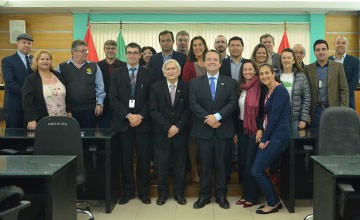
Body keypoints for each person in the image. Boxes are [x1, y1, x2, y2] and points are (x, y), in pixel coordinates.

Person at [189, 50, 237, 209]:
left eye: (215, 59)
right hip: (203, 130)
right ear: (204, 62)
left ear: (220, 63)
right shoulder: (195, 82)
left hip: (223, 130)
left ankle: (221, 195)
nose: (211, 62)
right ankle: (204, 196)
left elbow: (232, 103)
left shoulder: (230, 82)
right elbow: (193, 104)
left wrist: (217, 117)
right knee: (205, 164)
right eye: (208, 59)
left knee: (222, 164)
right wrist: (208, 119)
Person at [109, 42, 154, 205]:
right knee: (125, 159)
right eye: (129, 53)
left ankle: (144, 192)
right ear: (125, 55)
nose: (132, 55)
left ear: (140, 55)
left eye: (135, 52)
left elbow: (152, 99)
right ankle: (127, 192)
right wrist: (128, 115)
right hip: (123, 123)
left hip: (143, 123)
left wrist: (140, 116)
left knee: (143, 159)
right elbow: (113, 98)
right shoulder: (117, 73)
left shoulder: (149, 73)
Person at [150, 59, 191, 206]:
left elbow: (188, 110)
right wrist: (168, 127)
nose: (171, 71)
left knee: (180, 166)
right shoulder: (155, 87)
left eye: (174, 69)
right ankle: (162, 194)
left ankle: (179, 194)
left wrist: (177, 127)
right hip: (162, 133)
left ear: (179, 72)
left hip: (180, 133)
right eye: (168, 69)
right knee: (162, 166)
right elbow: (153, 110)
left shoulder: (186, 87)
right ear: (163, 72)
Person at [252, 63, 291, 214]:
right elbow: (265, 115)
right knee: (258, 169)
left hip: (278, 136)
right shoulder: (269, 91)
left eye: (267, 73)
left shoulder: (280, 91)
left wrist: (264, 139)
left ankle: (273, 202)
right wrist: (261, 129)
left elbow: (274, 118)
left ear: (273, 73)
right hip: (270, 134)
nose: (264, 76)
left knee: (257, 170)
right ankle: (274, 200)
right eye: (261, 74)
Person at [57, 39, 106, 128]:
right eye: (83, 51)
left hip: (90, 109)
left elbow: (100, 87)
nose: (86, 53)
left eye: (86, 50)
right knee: (71, 136)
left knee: (89, 137)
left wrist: (99, 104)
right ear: (73, 52)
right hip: (69, 110)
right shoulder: (61, 67)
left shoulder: (94, 66)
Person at [234, 60, 262, 208]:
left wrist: (260, 129)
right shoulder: (240, 87)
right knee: (243, 163)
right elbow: (236, 110)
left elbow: (263, 110)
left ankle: (253, 196)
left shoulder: (260, 86)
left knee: (251, 163)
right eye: (245, 70)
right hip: (242, 128)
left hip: (254, 130)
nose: (247, 72)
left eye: (250, 69)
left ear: (255, 70)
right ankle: (245, 194)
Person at [181, 36, 208, 182]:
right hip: (194, 109)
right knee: (193, 141)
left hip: (211, 109)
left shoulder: (211, 62)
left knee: (207, 142)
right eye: (195, 45)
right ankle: (194, 169)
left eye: (200, 44)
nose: (198, 47)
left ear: (205, 46)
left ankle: (206, 169)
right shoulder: (189, 65)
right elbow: (186, 88)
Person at [305, 39, 348, 128]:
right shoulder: (308, 69)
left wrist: (342, 110)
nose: (321, 52)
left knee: (332, 138)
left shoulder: (338, 67)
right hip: (315, 111)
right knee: (316, 138)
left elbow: (344, 90)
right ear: (314, 52)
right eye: (318, 50)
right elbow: (305, 93)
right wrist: (306, 113)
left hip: (333, 109)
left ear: (328, 51)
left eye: (323, 49)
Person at [22, 49, 69, 130]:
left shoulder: (59, 76)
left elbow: (67, 95)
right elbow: (27, 101)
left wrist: (69, 111)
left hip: (62, 117)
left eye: (47, 59)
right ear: (36, 61)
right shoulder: (31, 79)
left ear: (51, 61)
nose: (45, 61)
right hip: (43, 119)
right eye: (42, 59)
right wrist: (31, 119)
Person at [1, 33, 34, 128]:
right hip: (14, 106)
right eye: (24, 43)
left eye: (29, 43)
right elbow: (9, 83)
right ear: (18, 44)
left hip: (32, 107)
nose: (27, 45)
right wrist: (28, 94)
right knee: (14, 136)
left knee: (32, 136)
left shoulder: (35, 59)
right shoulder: (8, 60)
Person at [97, 40, 126, 128]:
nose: (110, 50)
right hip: (103, 104)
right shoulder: (96, 66)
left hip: (120, 103)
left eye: (113, 48)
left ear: (117, 50)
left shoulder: (124, 66)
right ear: (104, 50)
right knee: (103, 131)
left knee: (119, 132)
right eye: (108, 48)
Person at [280, 48, 310, 130]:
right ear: (281, 60)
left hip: (295, 119)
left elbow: (306, 99)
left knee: (294, 142)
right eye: (284, 58)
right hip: (279, 118)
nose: (286, 60)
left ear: (294, 61)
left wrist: (303, 119)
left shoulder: (301, 76)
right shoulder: (275, 76)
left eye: (289, 58)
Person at [328, 36, 359, 110]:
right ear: (334, 45)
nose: (340, 45)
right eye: (338, 43)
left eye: (343, 43)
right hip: (330, 101)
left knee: (347, 121)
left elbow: (354, 81)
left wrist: (342, 95)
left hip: (348, 101)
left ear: (347, 46)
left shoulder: (355, 61)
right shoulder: (328, 60)